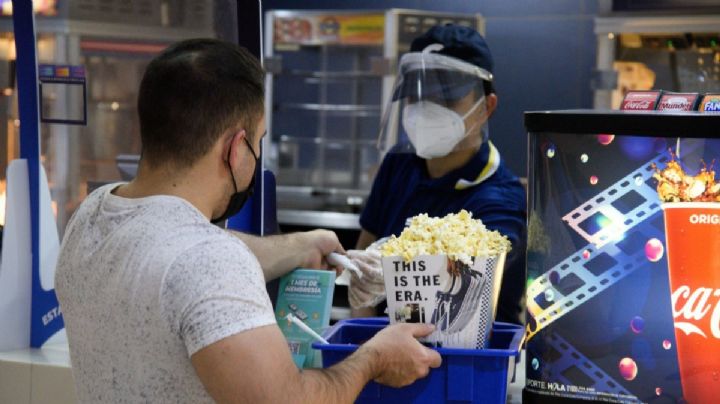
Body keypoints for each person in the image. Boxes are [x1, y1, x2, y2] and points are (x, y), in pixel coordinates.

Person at [55, 38, 441, 404]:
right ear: (235, 148)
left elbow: (178, 256)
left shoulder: (92, 214)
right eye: (258, 141)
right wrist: (374, 358)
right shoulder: (207, 261)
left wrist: (296, 246)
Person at [348, 25, 527, 325]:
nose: (427, 111)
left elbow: (457, 302)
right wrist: (365, 342)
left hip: (468, 360)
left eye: (447, 99)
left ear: (486, 108)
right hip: (385, 351)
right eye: (419, 97)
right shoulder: (398, 165)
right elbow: (362, 272)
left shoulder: (500, 201)